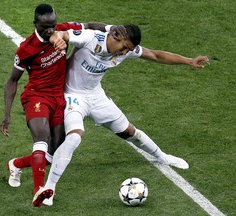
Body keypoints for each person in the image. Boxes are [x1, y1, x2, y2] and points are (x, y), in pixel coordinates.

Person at [32, 25, 210, 207]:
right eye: (124, 47)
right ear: (114, 37)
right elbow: (60, 34)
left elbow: (155, 55)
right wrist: (57, 39)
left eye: (129, 50)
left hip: (96, 96)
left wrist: (188, 61)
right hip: (72, 96)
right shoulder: (90, 38)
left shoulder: (125, 50)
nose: (125, 52)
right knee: (74, 137)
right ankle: (49, 189)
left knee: (130, 132)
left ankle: (163, 157)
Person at [0, 3, 126, 207]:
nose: (50, 30)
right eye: (45, 27)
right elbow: (12, 80)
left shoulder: (63, 31)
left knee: (52, 152)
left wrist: (113, 28)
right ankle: (39, 191)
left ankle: (16, 164)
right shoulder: (26, 48)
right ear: (35, 24)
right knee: (41, 139)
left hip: (59, 98)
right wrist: (7, 114)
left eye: (53, 25)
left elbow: (89, 25)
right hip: (37, 97)